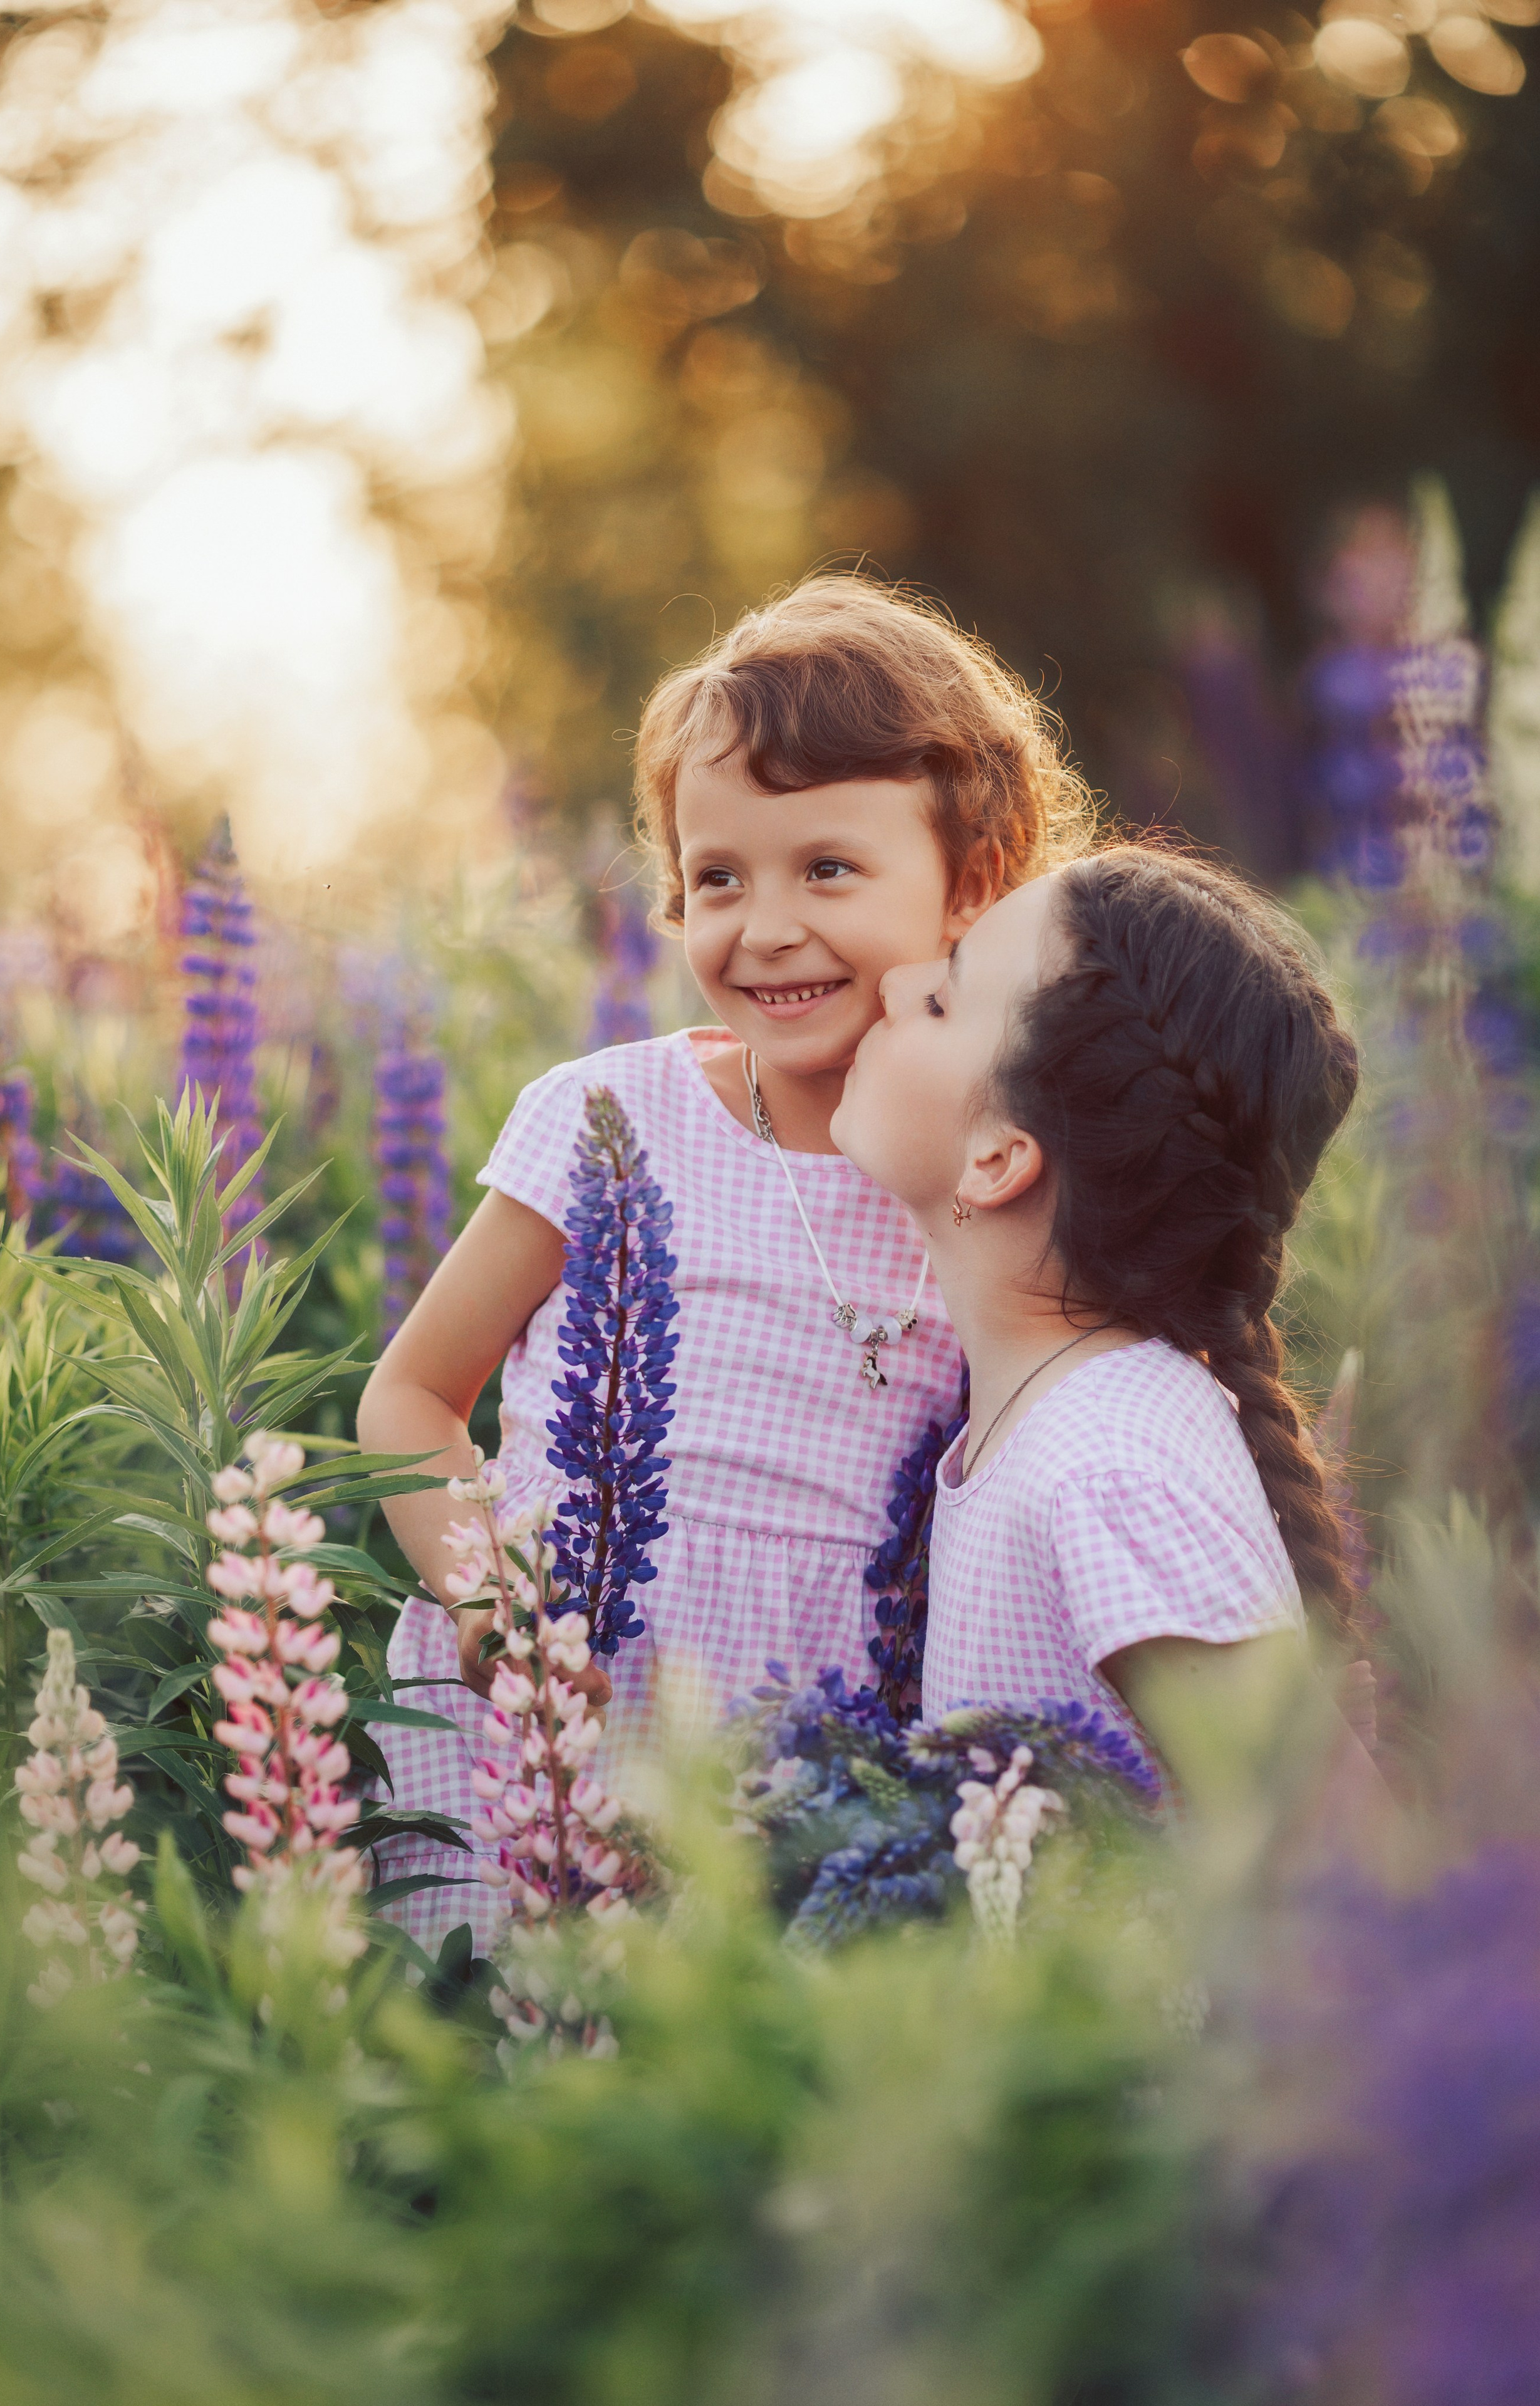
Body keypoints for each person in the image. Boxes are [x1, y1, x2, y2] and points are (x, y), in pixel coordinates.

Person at [357, 573, 1091, 1949]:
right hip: (541, 1725)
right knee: (482, 2085)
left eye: (826, 868)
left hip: (805, 1771)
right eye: (714, 878)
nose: (761, 927)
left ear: (970, 884)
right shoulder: (608, 1116)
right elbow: (408, 1398)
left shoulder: (992, 1178)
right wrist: (479, 1588)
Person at [830, 841, 1372, 1823]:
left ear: (997, 1158)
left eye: (946, 999)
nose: (898, 981)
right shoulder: (1059, 1421)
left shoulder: (1104, 1466)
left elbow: (1344, 1864)